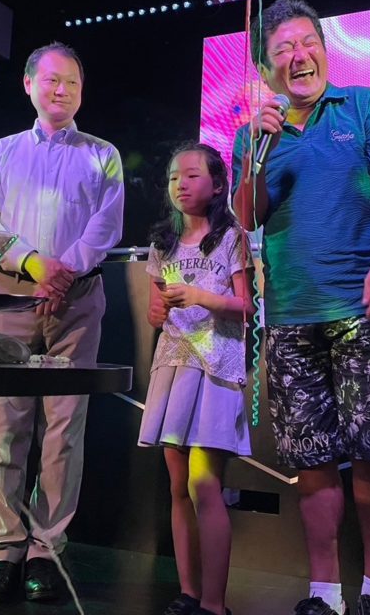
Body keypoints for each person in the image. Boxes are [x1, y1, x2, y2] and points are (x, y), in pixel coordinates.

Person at [232, 0, 370, 615]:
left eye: (307, 42)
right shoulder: (252, 134)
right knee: (311, 462)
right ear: (265, 69)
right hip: (289, 316)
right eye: (283, 49)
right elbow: (247, 215)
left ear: (325, 51)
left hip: (363, 308)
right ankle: (325, 593)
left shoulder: (363, 105)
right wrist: (257, 150)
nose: (299, 56)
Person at [0, 41, 124, 604]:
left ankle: (46, 551)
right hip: (10, 298)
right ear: (28, 84)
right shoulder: (0, 152)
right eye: (52, 80)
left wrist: (61, 275)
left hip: (76, 302)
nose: (62, 90)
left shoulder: (103, 154)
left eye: (72, 82)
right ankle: (2, 552)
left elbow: (106, 224)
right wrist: (35, 265)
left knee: (63, 432)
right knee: (3, 428)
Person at [139, 142, 253, 615]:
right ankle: (188, 592)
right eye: (173, 177)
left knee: (204, 484)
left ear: (218, 184)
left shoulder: (232, 238)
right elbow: (155, 312)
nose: (180, 185)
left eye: (191, 176)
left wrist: (200, 296)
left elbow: (246, 307)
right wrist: (160, 308)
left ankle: (214, 603)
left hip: (217, 368)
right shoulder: (162, 244)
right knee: (177, 486)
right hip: (173, 368)